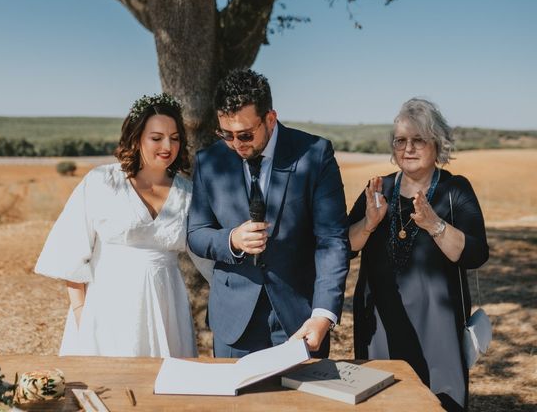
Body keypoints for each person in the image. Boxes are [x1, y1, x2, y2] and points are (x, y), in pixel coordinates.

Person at [187, 69, 350, 358]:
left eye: (245, 134)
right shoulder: (208, 161)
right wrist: (232, 240)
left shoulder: (315, 154)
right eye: (226, 134)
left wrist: (322, 315)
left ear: (270, 119)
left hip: (300, 319)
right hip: (233, 324)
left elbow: (332, 240)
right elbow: (196, 234)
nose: (236, 144)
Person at [35, 93, 213, 357]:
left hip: (167, 309)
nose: (167, 146)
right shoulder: (102, 181)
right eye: (156, 138)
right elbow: (70, 252)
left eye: (175, 138)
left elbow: (208, 255)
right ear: (136, 137)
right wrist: (82, 312)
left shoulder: (188, 193)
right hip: (107, 308)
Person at [348, 98, 489, 411]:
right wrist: (369, 223)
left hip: (438, 327)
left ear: (437, 143)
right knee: (381, 400)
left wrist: (435, 224)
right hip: (381, 323)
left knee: (439, 402)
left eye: (418, 139)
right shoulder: (378, 189)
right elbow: (345, 246)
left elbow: (476, 254)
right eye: (400, 140)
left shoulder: (455, 190)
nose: (408, 148)